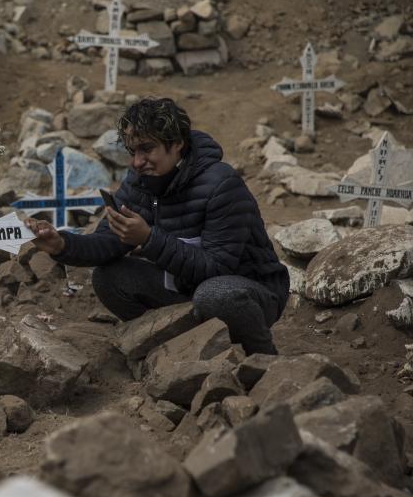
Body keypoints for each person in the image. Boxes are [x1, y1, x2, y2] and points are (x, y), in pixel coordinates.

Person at [27, 97, 290, 355]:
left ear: (177, 143)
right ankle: (167, 350)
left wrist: (149, 239)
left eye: (147, 149)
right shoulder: (141, 179)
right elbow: (108, 241)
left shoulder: (222, 185)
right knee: (109, 277)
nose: (137, 162)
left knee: (215, 295)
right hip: (185, 287)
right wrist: (61, 244)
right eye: (133, 152)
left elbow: (218, 268)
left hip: (250, 292)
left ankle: (261, 357)